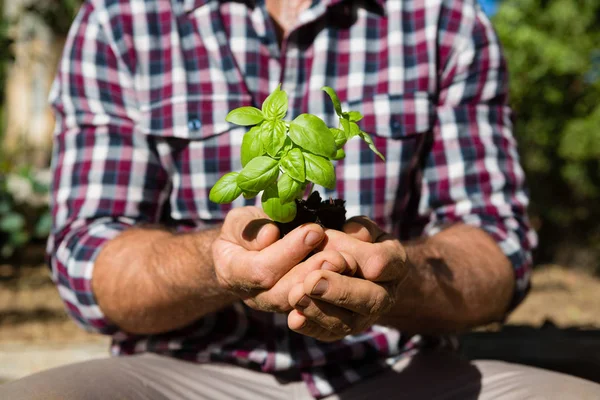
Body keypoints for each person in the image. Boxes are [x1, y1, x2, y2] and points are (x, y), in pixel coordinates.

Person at [3, 0, 600, 398]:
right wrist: (217, 260)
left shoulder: (446, 18)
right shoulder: (120, 17)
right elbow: (89, 258)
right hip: (182, 375)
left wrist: (394, 273)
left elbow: (497, 249)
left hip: (398, 373)